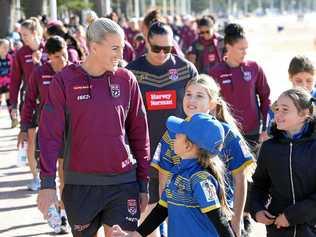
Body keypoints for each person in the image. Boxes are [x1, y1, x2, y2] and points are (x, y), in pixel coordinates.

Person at [37, 18, 150, 237]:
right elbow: (50, 135)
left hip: (123, 182)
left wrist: (143, 183)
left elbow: (139, 134)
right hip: (80, 185)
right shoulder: (65, 81)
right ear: (94, 47)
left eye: (122, 47)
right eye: (115, 48)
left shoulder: (127, 80)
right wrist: (47, 184)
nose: (121, 54)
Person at [151, 75, 254, 237]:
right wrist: (170, 217)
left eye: (199, 96)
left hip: (219, 219)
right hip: (183, 222)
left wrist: (236, 219)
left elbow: (240, 179)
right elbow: (163, 177)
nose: (191, 100)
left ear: (212, 103)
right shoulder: (173, 131)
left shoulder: (227, 134)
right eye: (188, 94)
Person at [126, 21, 197, 237]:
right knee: (148, 213)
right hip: (144, 155)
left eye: (168, 48)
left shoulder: (186, 70)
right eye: (157, 48)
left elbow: (199, 110)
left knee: (180, 211)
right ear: (146, 43)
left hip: (180, 154)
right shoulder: (131, 72)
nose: (162, 53)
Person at [112, 113, 235, 237]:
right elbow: (161, 211)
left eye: (178, 134)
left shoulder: (200, 180)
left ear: (188, 145)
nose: (174, 136)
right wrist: (134, 235)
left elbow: (220, 221)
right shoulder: (177, 172)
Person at [19, 36, 69, 233]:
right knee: (48, 178)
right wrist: (24, 128)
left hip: (68, 133)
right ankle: (52, 213)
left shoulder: (74, 71)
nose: (62, 60)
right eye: (57, 57)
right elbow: (29, 101)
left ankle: (63, 216)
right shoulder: (39, 73)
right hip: (47, 135)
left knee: (65, 177)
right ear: (48, 56)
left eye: (64, 55)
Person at [250, 88, 316, 237]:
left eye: (285, 110)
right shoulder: (268, 148)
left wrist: (291, 216)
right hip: (278, 231)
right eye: (277, 108)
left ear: (304, 114)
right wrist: (257, 209)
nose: (277, 114)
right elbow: (259, 185)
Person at [10, 17, 47, 191]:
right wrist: (12, 104)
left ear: (35, 33)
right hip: (29, 101)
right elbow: (15, 81)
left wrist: (41, 62)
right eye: (21, 34)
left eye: (25, 34)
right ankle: (36, 177)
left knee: (51, 139)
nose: (22, 38)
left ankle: (51, 174)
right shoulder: (20, 53)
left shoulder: (48, 48)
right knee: (31, 138)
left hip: (49, 101)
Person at [0, 39, 15, 127]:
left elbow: (13, 70)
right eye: (4, 47)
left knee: (9, 100)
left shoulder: (9, 57)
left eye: (7, 47)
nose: (6, 49)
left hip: (8, 83)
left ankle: (13, 119)